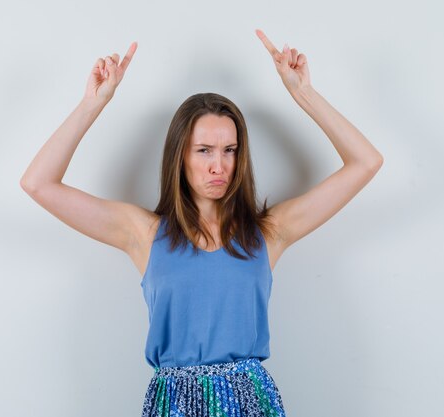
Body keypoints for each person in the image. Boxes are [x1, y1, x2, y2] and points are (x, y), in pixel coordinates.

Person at [20, 28, 383, 417]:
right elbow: (38, 183)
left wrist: (303, 94)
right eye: (204, 150)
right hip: (174, 404)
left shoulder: (267, 234)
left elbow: (366, 162)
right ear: (181, 156)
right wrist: (94, 103)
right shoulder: (144, 234)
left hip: (250, 403)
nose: (219, 165)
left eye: (229, 150)